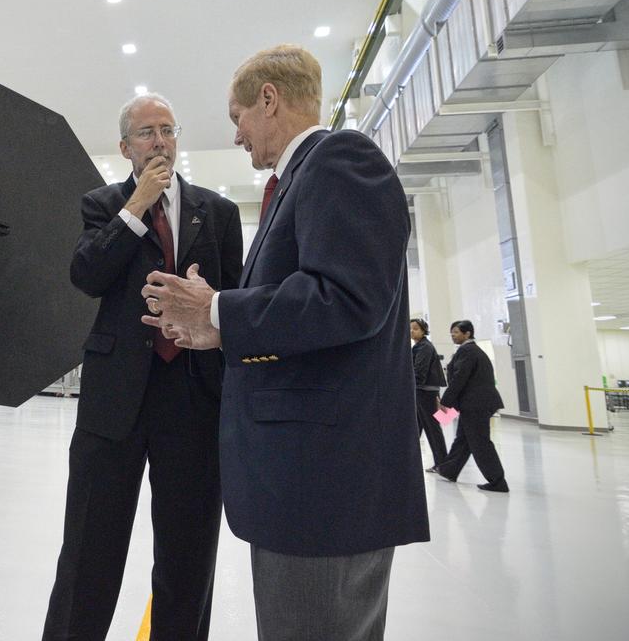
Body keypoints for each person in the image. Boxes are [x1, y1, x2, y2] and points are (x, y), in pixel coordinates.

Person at [143, 45, 428, 641]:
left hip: (323, 486)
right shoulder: (300, 180)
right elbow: (313, 314)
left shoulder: (340, 160)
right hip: (307, 482)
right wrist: (217, 330)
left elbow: (346, 299)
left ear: (268, 99)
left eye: (237, 117)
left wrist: (218, 307)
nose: (237, 135)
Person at [42, 93, 243, 641]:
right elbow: (87, 275)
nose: (160, 142)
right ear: (125, 146)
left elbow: (235, 301)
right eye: (147, 132)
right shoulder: (103, 205)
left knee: (188, 555)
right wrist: (137, 207)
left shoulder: (218, 213)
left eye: (168, 130)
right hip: (114, 401)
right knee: (89, 548)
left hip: (194, 397)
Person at [430, 320, 509, 493]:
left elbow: (460, 378)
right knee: (463, 439)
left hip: (476, 404)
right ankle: (449, 470)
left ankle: (497, 481)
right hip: (474, 403)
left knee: (480, 442)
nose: (453, 335)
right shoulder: (470, 350)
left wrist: (445, 402)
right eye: (452, 332)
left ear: (468, 334)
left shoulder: (468, 351)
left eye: (456, 332)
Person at [411, 318, 448, 466]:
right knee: (418, 427)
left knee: (432, 428)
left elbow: (419, 372)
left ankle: (442, 463)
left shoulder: (424, 347)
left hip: (426, 392)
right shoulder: (419, 346)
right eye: (410, 328)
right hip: (424, 391)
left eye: (416, 328)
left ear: (423, 330)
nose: (412, 331)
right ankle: (410, 461)